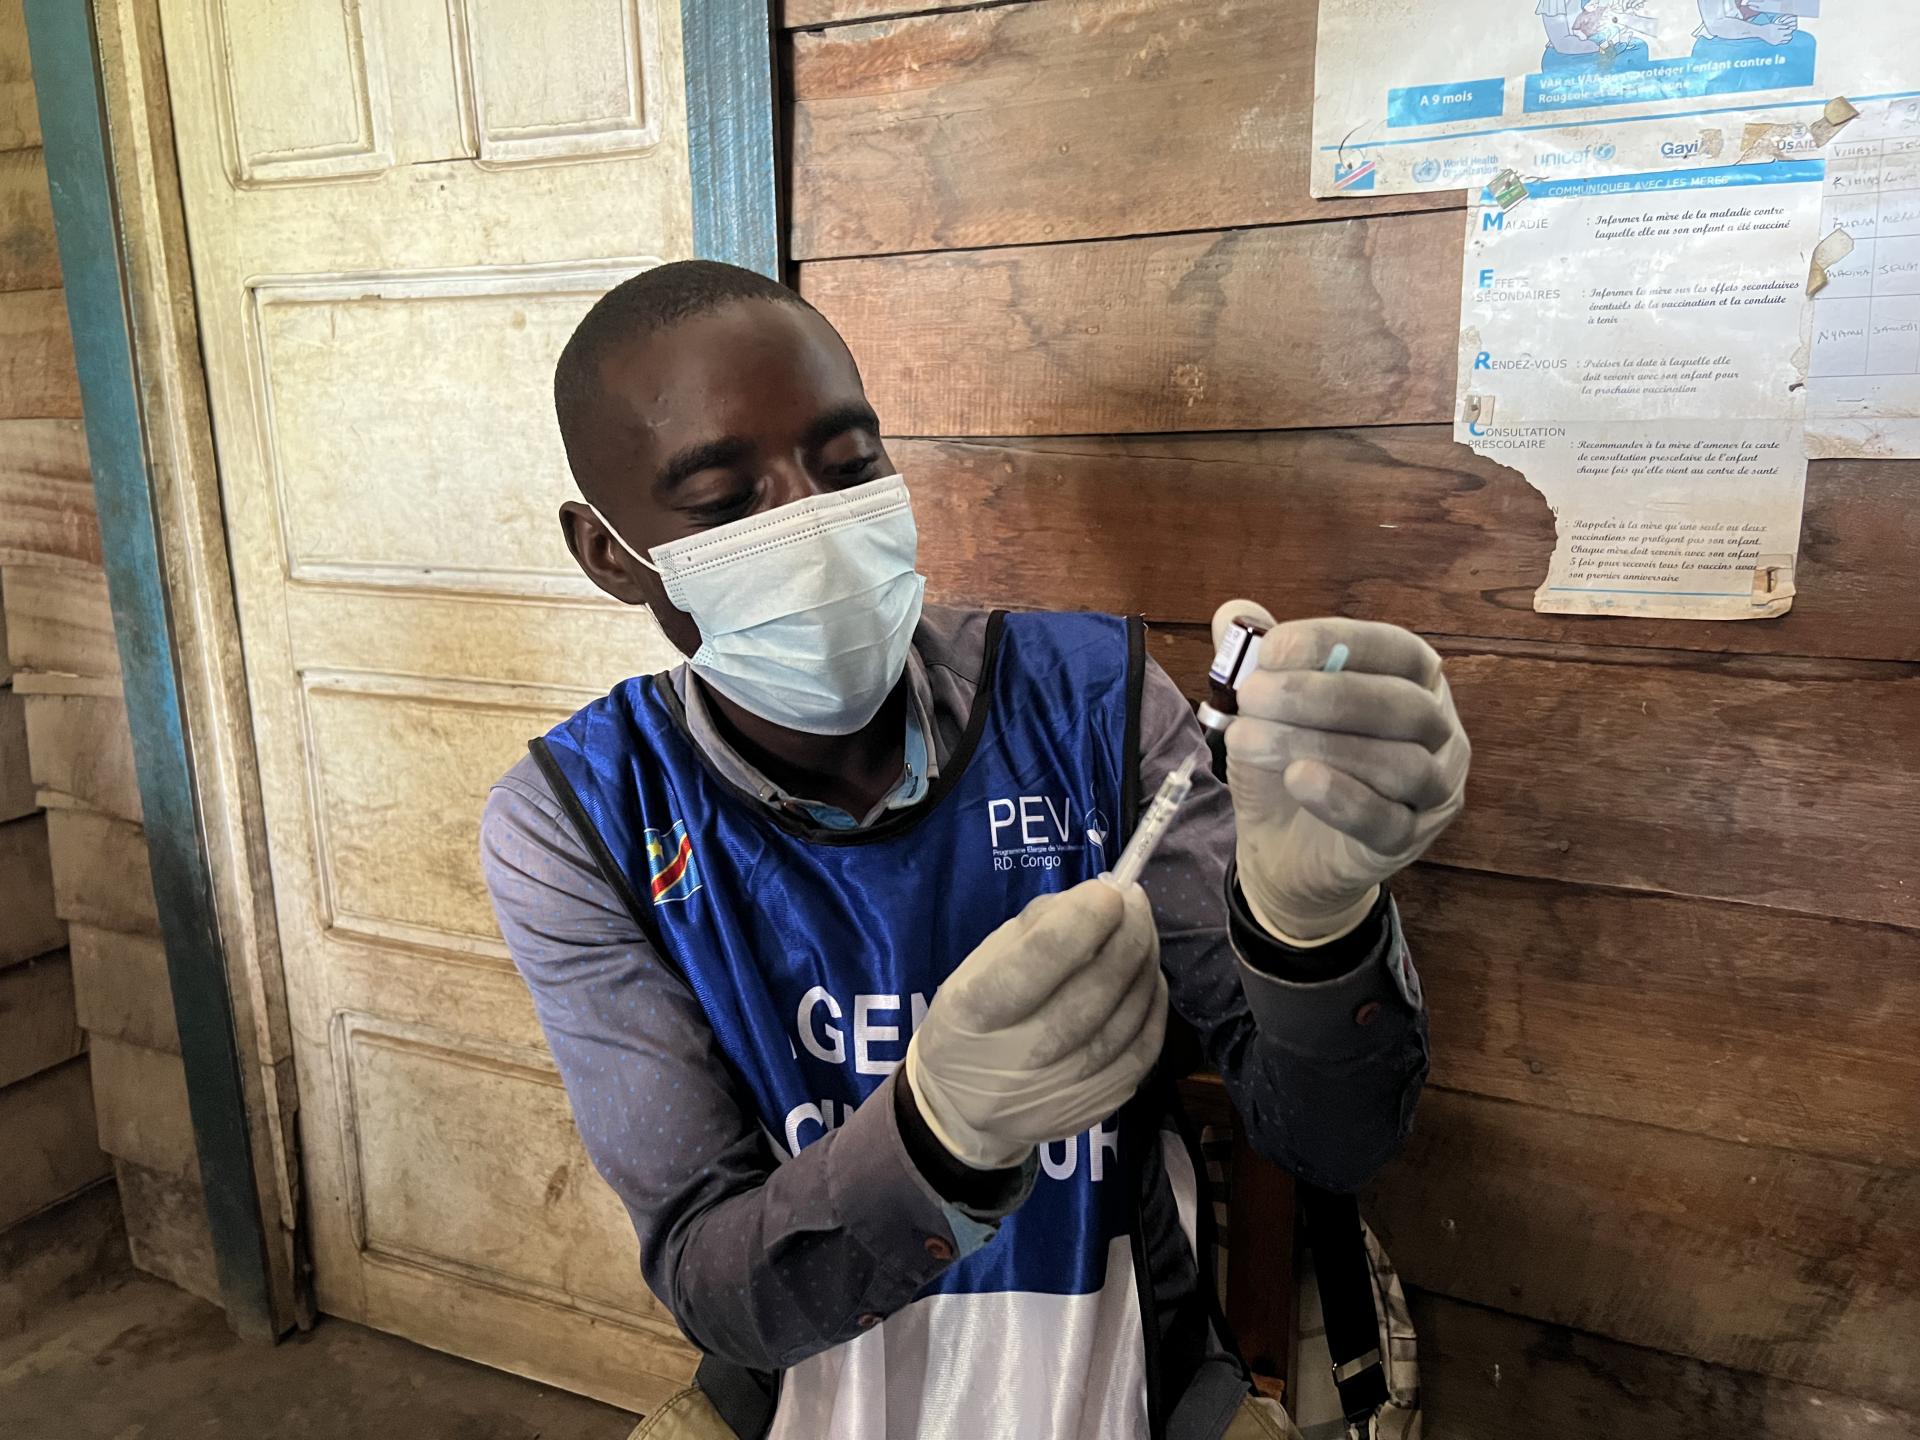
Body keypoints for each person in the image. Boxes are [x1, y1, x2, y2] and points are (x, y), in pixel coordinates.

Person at [480, 260, 1471, 1440]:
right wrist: (937, 1135)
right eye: (726, 504)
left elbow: (1334, 1136)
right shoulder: (583, 816)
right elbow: (714, 1281)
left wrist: (1316, 937)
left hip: (1127, 1384)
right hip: (805, 1396)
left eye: (850, 470)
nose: (810, 527)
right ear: (607, 554)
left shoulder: (1089, 705)